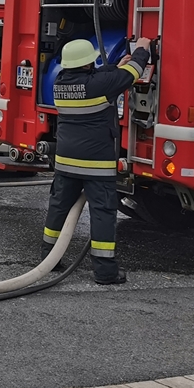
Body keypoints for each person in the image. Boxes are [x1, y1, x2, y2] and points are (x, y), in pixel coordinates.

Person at [42, 36, 151, 285]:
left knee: (59, 207)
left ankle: (48, 258)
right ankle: (105, 271)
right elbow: (133, 72)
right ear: (88, 62)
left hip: (66, 161)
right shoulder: (100, 84)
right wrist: (142, 49)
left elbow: (93, 79)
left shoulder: (60, 82)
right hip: (96, 164)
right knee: (102, 213)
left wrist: (114, 67)